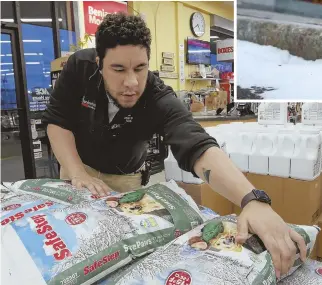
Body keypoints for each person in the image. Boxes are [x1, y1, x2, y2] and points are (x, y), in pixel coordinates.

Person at [43, 12, 306, 278]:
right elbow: (57, 119)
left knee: (114, 257)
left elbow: (195, 143)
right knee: (70, 245)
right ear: (99, 63)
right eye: (119, 69)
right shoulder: (79, 67)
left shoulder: (157, 97)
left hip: (126, 180)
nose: (131, 82)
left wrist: (252, 200)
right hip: (76, 166)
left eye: (140, 68)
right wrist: (77, 171)